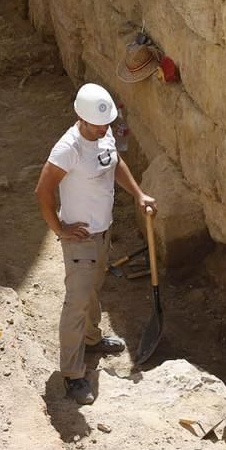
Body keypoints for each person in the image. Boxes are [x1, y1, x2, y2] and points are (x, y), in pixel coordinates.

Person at [35, 83, 157, 406]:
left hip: (103, 232)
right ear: (81, 117)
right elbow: (43, 191)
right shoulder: (68, 149)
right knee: (76, 302)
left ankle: (91, 340)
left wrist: (139, 194)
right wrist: (60, 228)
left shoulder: (103, 134)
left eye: (106, 124)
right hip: (80, 239)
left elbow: (115, 163)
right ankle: (73, 375)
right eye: (97, 124)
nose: (103, 129)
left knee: (93, 289)